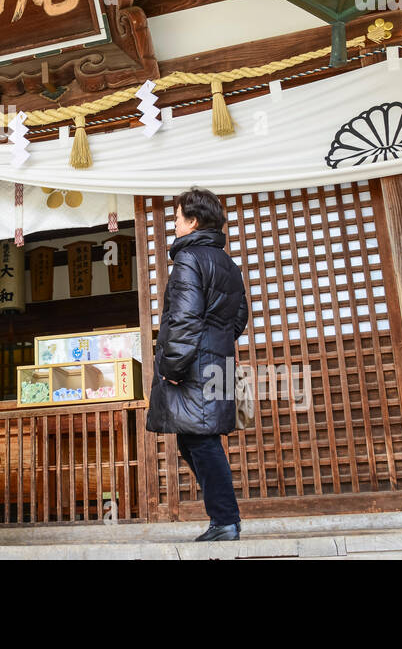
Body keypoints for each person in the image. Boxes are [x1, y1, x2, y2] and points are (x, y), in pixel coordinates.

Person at [145, 187, 249, 541]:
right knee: (195, 441)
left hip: (192, 368)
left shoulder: (190, 260)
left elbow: (184, 319)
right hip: (217, 363)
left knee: (200, 442)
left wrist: (171, 368)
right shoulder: (226, 263)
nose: (174, 224)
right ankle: (223, 518)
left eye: (176, 218)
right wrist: (216, 342)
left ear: (193, 221)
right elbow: (239, 318)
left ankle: (225, 521)